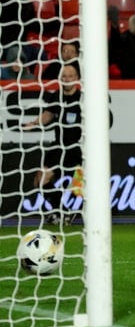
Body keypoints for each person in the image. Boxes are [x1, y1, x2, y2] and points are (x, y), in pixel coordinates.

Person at [23, 63, 82, 225]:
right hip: (60, 147)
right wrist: (34, 123)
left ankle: (88, 216)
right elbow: (48, 116)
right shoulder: (57, 96)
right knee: (40, 180)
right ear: (60, 78)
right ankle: (62, 210)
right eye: (64, 76)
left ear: (76, 79)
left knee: (83, 186)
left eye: (70, 76)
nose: (67, 79)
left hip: (79, 149)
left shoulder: (83, 99)